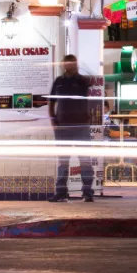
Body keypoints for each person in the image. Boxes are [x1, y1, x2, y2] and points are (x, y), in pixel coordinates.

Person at [47, 54, 95, 203]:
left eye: (72, 63)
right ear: (63, 64)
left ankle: (87, 192)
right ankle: (61, 193)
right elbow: (51, 102)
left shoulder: (82, 81)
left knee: (85, 160)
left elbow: (93, 80)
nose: (69, 65)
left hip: (81, 126)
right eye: (67, 63)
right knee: (63, 161)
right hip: (63, 126)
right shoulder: (59, 81)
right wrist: (53, 120)